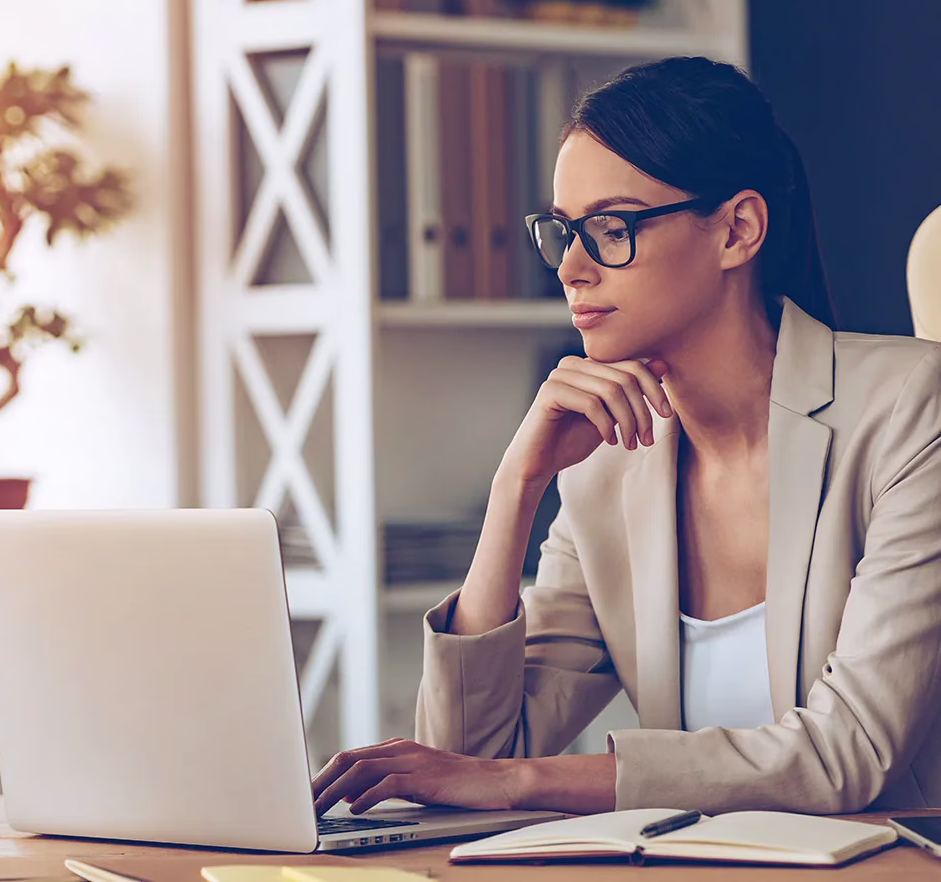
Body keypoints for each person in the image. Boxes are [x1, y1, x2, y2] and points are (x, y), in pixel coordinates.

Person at [312, 56, 941, 817]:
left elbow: (848, 752)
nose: (572, 268)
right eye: (563, 232)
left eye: (611, 228)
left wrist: (532, 781)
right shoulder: (606, 468)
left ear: (738, 230)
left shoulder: (910, 407)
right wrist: (518, 488)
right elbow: (472, 761)